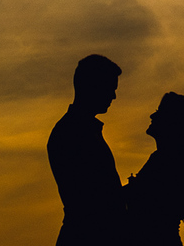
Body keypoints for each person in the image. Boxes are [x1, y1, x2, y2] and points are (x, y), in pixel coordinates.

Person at [47, 54, 126, 246]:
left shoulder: (78, 130)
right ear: (93, 86)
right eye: (110, 88)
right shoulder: (73, 133)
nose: (114, 96)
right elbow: (94, 198)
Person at [124, 92, 184, 245]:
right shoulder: (168, 162)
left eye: (159, 112)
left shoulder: (164, 164)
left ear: (173, 122)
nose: (152, 116)